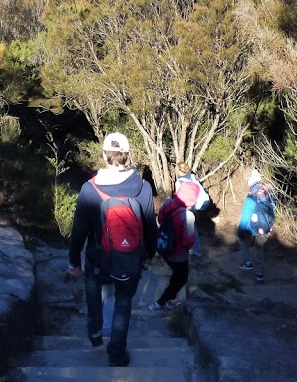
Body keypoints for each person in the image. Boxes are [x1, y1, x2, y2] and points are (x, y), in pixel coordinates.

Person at [68, 132, 156, 367]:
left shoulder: (89, 189)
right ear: (127, 155)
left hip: (98, 259)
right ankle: (116, 353)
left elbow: (79, 230)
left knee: (94, 292)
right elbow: (149, 227)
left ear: (104, 154)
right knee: (123, 302)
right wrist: (148, 254)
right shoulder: (143, 188)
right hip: (129, 260)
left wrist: (73, 260)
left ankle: (96, 334)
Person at [148, 179, 199, 311]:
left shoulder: (168, 203)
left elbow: (160, 219)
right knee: (181, 278)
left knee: (176, 275)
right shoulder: (188, 216)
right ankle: (161, 303)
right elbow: (188, 240)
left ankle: (171, 298)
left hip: (164, 246)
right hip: (179, 254)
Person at [238, 168, 275, 282]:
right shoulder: (269, 192)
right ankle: (260, 274)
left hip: (252, 227)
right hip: (265, 226)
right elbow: (273, 209)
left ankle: (248, 263)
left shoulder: (250, 198)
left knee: (242, 240)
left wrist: (240, 232)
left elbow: (245, 218)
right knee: (260, 249)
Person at [174, 162, 211, 257]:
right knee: (190, 225)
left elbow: (180, 198)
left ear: (178, 170)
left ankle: (195, 250)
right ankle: (194, 248)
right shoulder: (192, 176)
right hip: (202, 202)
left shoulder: (179, 182)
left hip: (192, 205)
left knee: (190, 227)